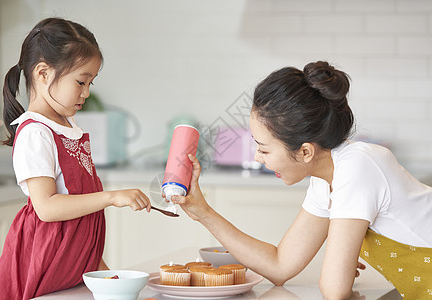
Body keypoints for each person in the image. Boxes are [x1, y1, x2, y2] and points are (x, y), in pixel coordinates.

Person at [171, 61, 432, 299]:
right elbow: (280, 265)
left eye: (263, 149)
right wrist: (202, 211)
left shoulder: (357, 167)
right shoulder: (325, 178)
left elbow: (334, 290)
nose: (258, 157)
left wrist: (340, 277)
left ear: (305, 151)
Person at [0, 18, 151, 300]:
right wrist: (111, 197)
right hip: (45, 264)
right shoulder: (36, 133)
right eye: (80, 81)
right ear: (43, 73)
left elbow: (81, 223)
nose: (87, 92)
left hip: (73, 265)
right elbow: (47, 208)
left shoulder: (69, 129)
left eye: (91, 82)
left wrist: (106, 278)